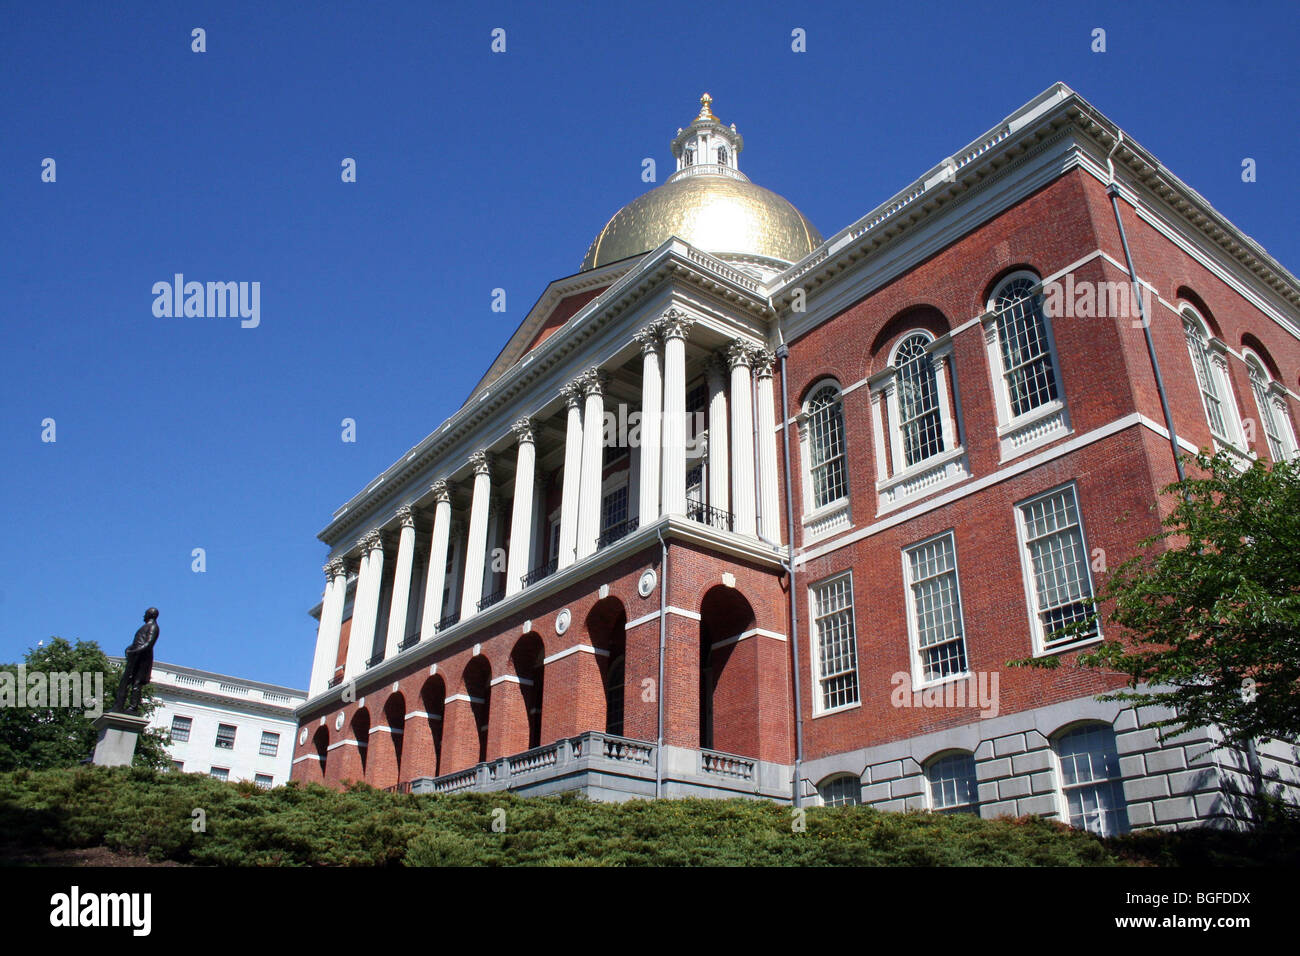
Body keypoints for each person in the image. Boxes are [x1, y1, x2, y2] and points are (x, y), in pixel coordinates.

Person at [111, 607, 159, 714]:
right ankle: (119, 705)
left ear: (150, 615)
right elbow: (139, 642)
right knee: (126, 681)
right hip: (136, 656)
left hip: (141, 658)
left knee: (136, 683)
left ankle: (133, 707)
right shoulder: (146, 627)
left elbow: (148, 644)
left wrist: (134, 651)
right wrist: (130, 648)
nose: (143, 615)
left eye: (145, 613)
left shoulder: (153, 627)